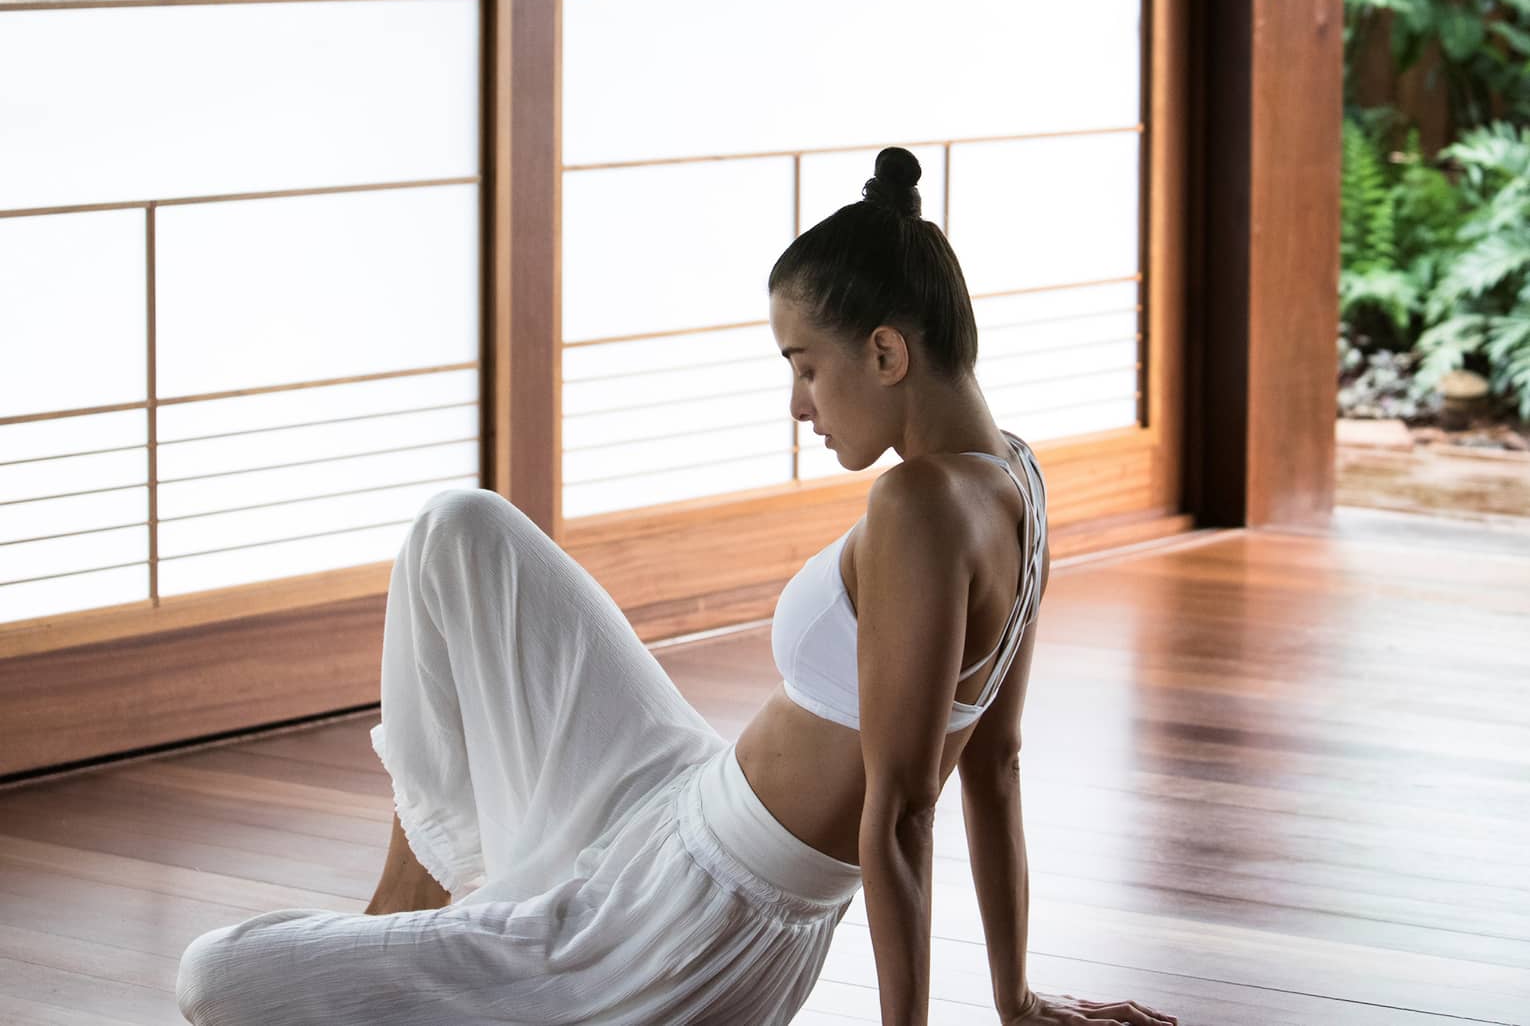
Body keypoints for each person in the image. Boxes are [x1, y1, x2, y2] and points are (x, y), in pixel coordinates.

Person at [176, 146, 1179, 1026]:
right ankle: (420, 907)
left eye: (804, 368)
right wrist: (1013, 1004)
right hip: (682, 796)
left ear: (884, 352)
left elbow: (904, 811)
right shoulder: (1017, 476)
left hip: (681, 919)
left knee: (216, 974)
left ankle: (456, 937)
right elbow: (993, 768)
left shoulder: (917, 505)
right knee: (461, 530)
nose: (799, 406)